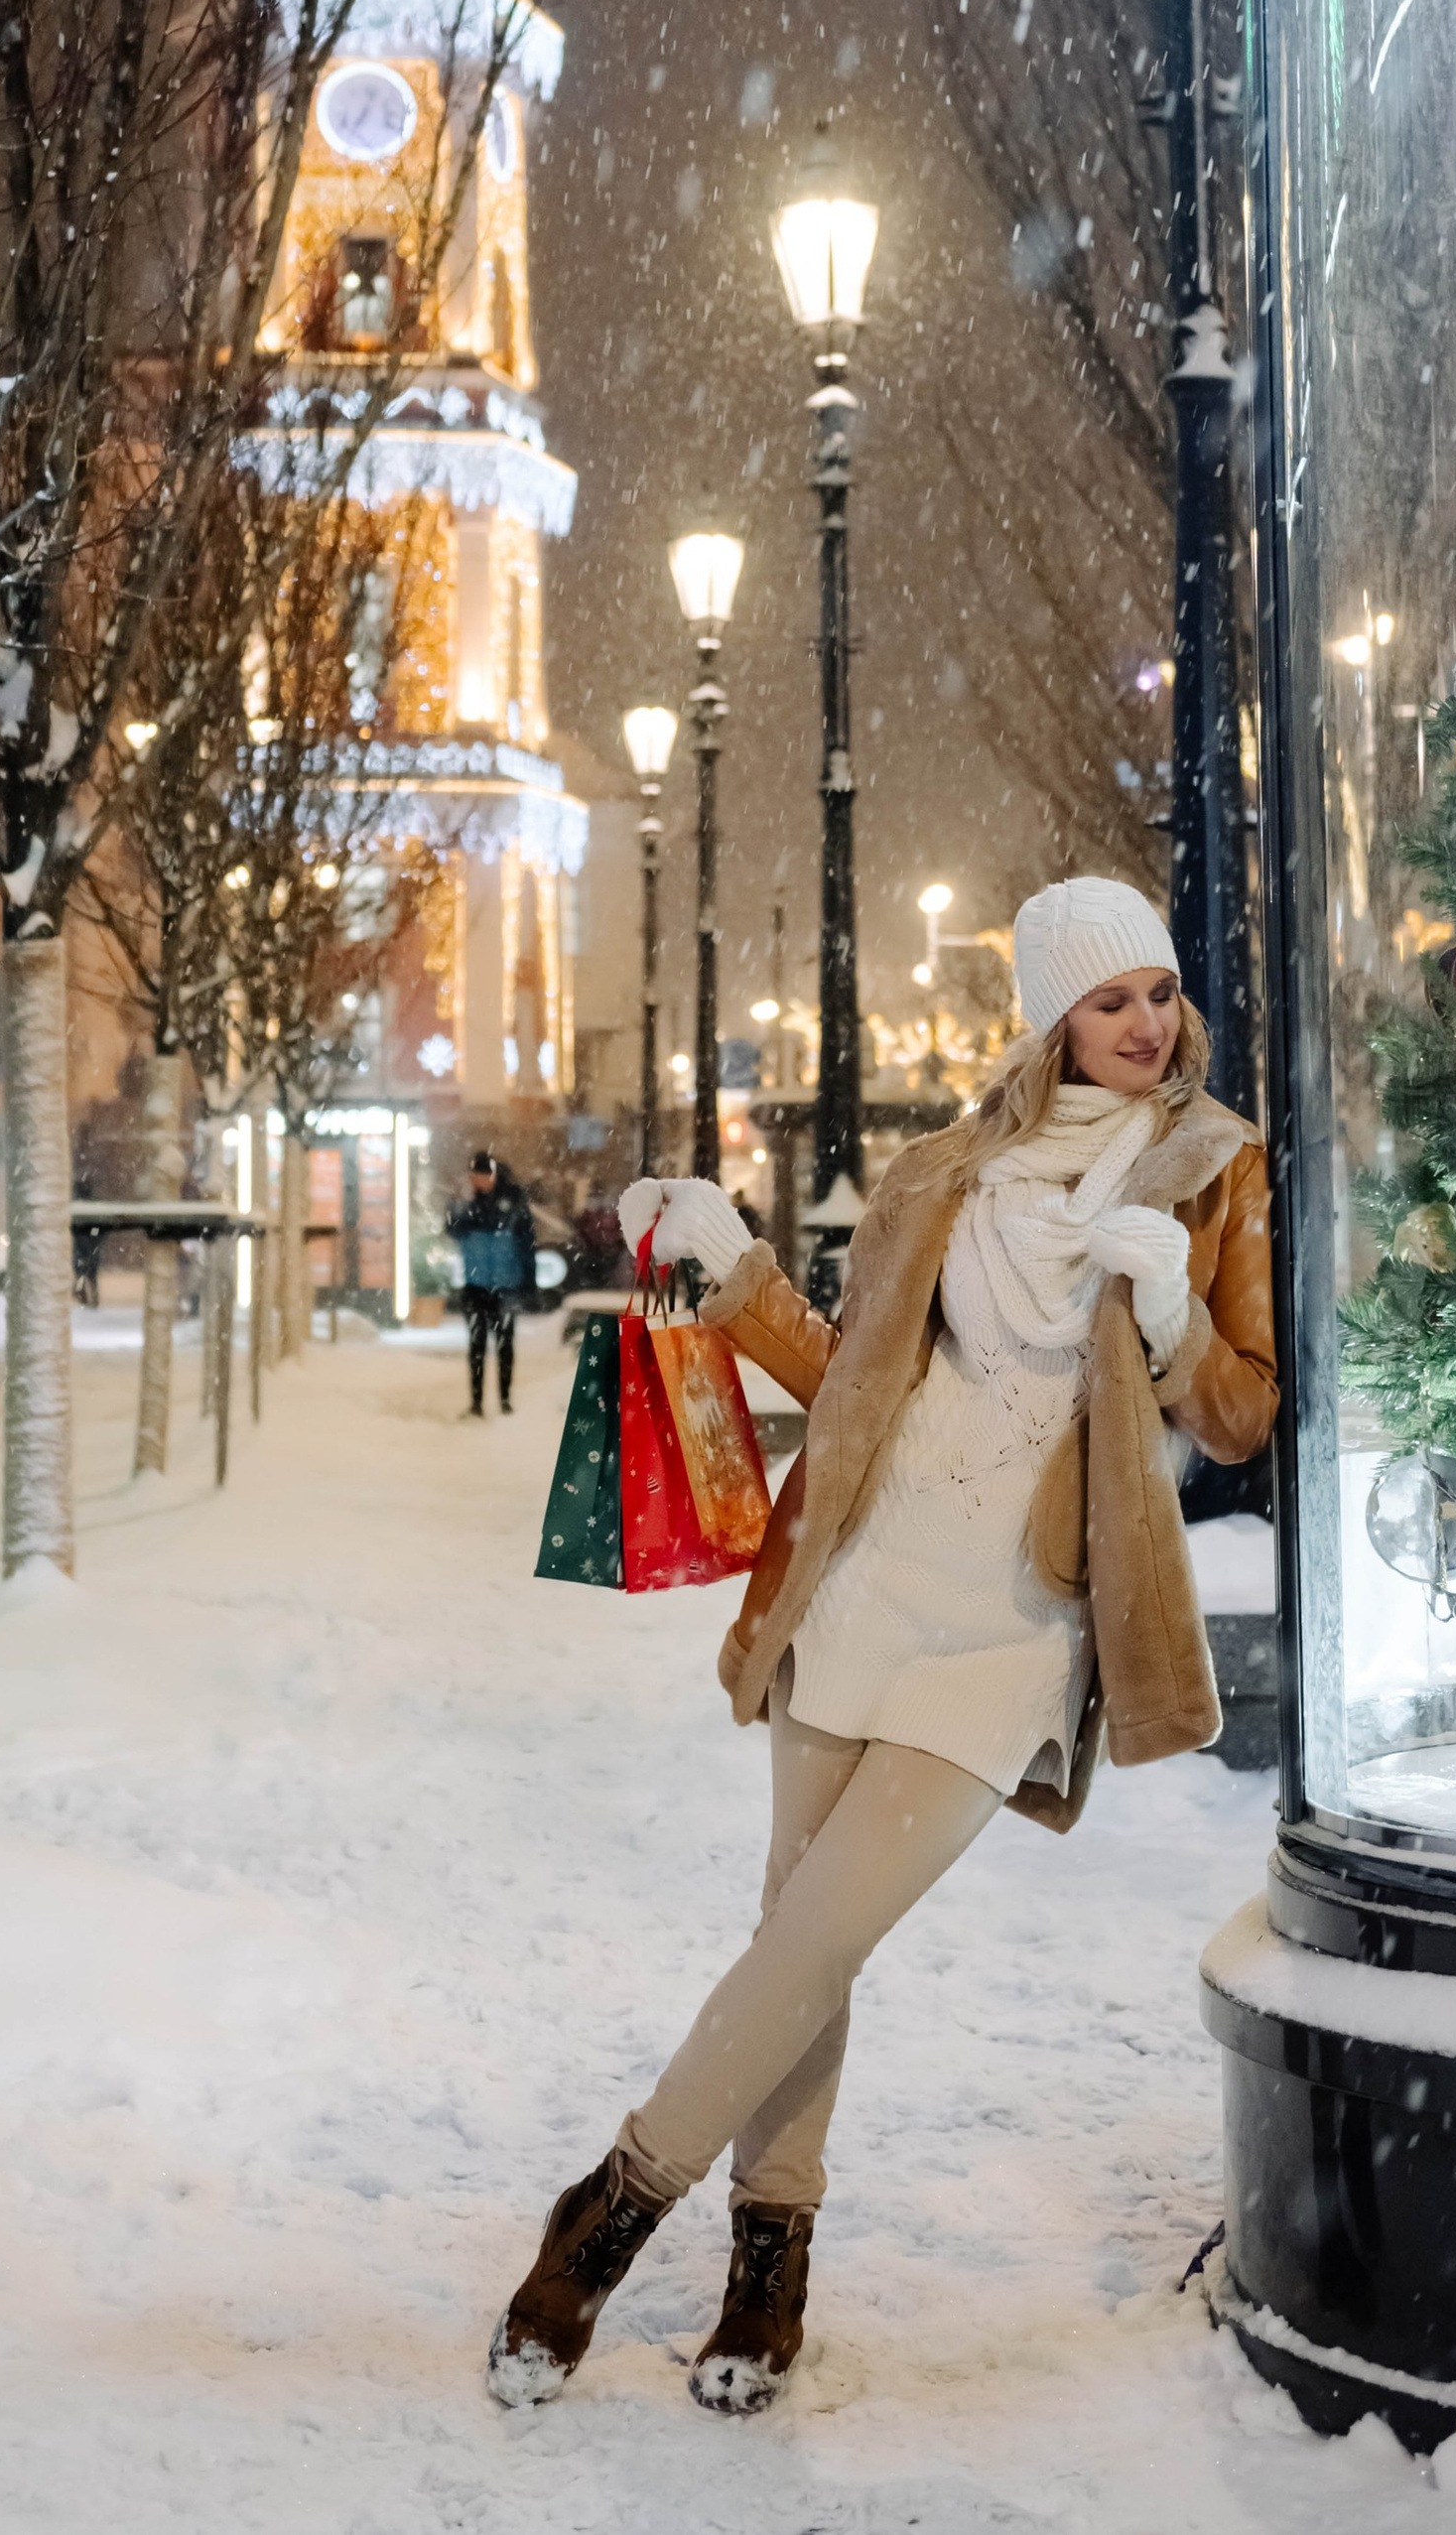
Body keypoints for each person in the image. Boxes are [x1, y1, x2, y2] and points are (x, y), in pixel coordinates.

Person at [485, 875, 1274, 2419]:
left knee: (821, 1926)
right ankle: (768, 2260)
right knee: (806, 1938)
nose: (1145, 1023)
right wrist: (732, 1265)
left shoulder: (1212, 1169)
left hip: (1016, 1624)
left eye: (1160, 994)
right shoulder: (945, 1172)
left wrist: (1173, 1306)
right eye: (1110, 998)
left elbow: (1240, 1406)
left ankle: (615, 2201)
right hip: (864, 1579)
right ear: (1053, 1011)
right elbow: (855, 1379)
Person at [449, 1149, 534, 1415]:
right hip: (475, 1284)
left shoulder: (512, 1201)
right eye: (474, 1176)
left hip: (505, 1285)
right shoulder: (467, 1202)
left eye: (482, 1176)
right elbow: (452, 1227)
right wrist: (463, 1203)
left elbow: (527, 1243)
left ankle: (504, 1400)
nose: (478, 1181)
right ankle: (477, 1403)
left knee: (504, 1345)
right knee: (477, 1345)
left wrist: (529, 1283)